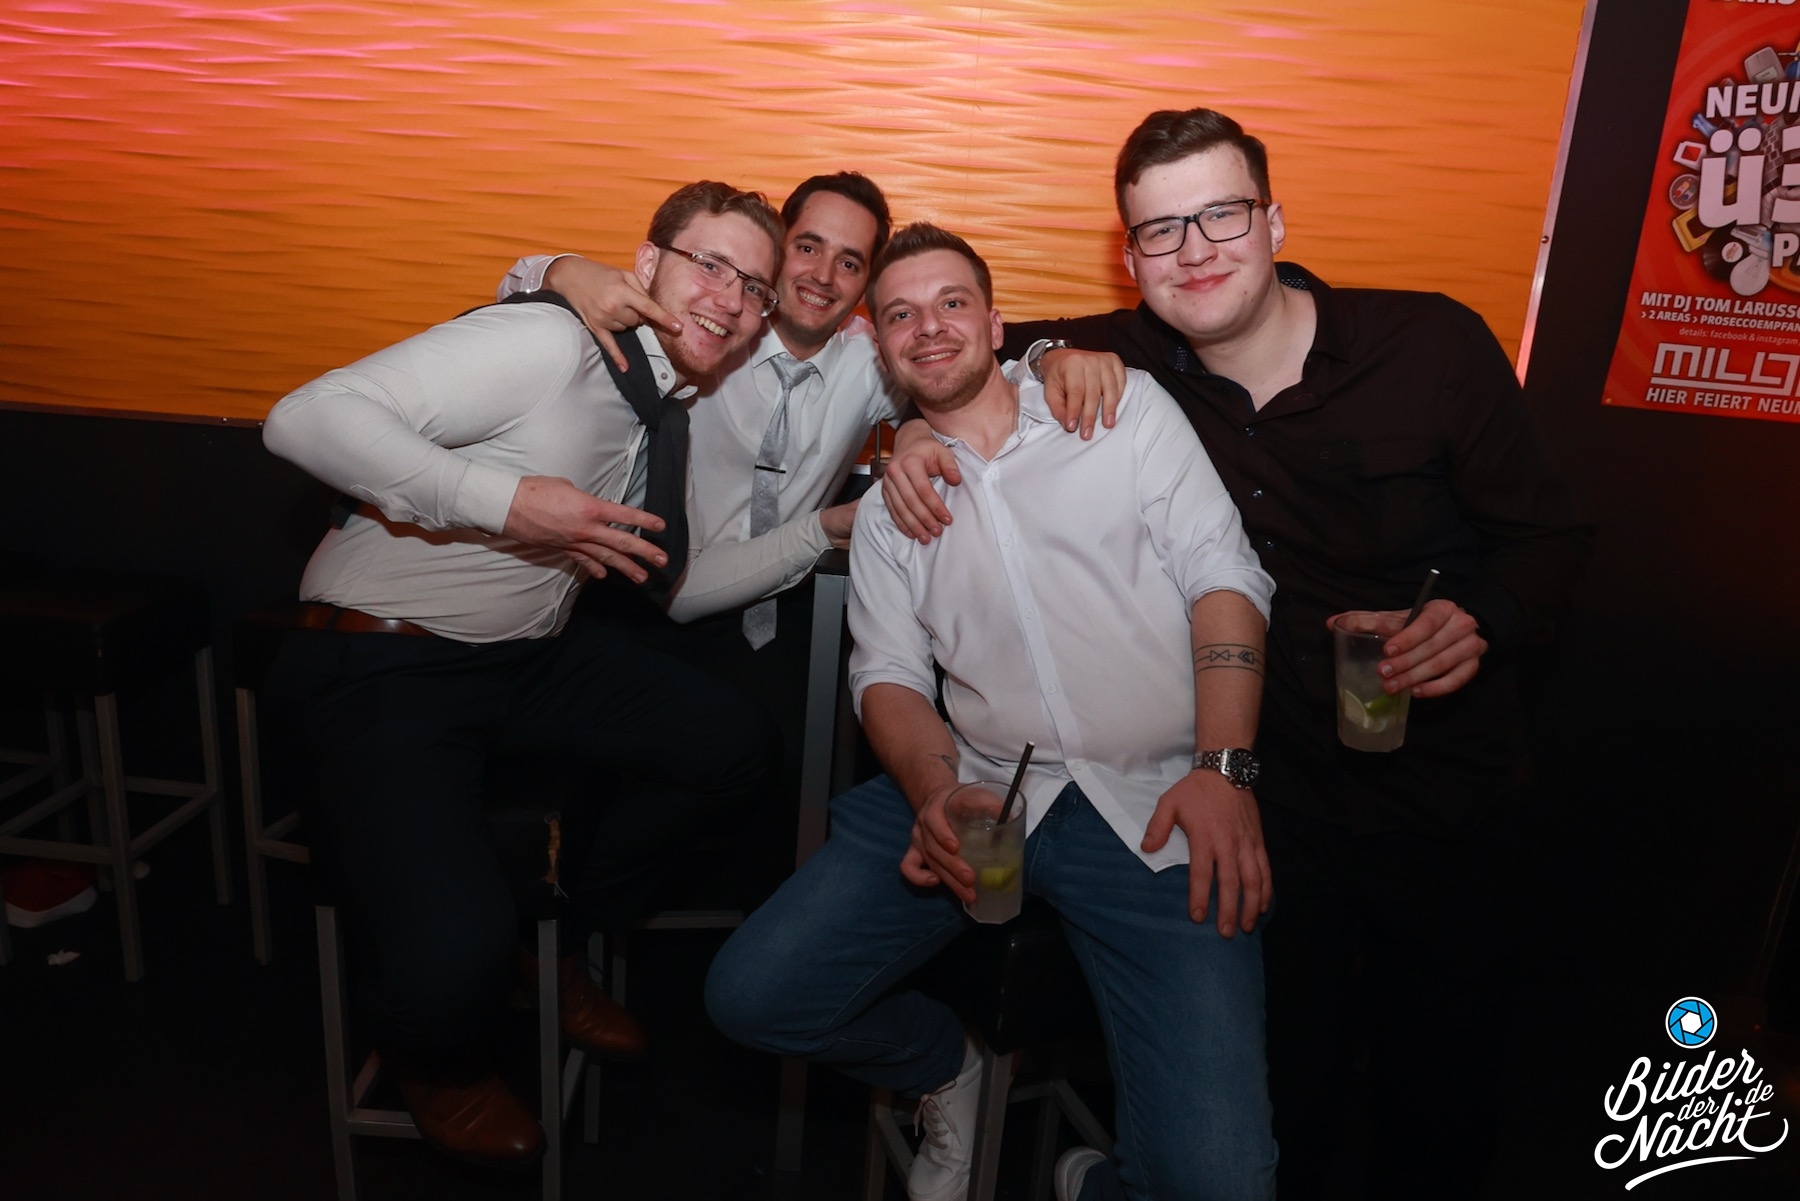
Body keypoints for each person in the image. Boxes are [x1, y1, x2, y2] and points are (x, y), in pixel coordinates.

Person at [884, 109, 1593, 1198]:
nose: (1196, 250)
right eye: (1161, 230)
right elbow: (958, 347)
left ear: (1274, 220)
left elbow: (1552, 538)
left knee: (1440, 1101)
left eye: (1222, 215)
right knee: (1284, 1103)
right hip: (1266, 797)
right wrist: (916, 432)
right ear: (1131, 257)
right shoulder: (1132, 360)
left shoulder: (1429, 345)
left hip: (1443, 791)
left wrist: (1484, 615)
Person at [706, 223, 1280, 1201]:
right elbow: (887, 675)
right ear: (881, 352)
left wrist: (1225, 766)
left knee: (1220, 1182)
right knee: (753, 993)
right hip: (977, 786)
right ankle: (945, 1066)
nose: (928, 327)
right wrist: (934, 794)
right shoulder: (893, 508)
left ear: (997, 321)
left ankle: (1094, 1182)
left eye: (951, 303)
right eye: (900, 315)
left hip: (1153, 802)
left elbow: (1223, 576)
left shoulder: (1120, 411)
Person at [261, 180, 784, 1167]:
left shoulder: (658, 398)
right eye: (710, 263)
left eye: (754, 287)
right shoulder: (551, 344)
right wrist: (504, 502)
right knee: (451, 952)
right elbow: (304, 418)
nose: (730, 297)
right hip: (381, 657)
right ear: (648, 264)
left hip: (523, 658)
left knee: (736, 745)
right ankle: (434, 1056)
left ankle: (557, 944)